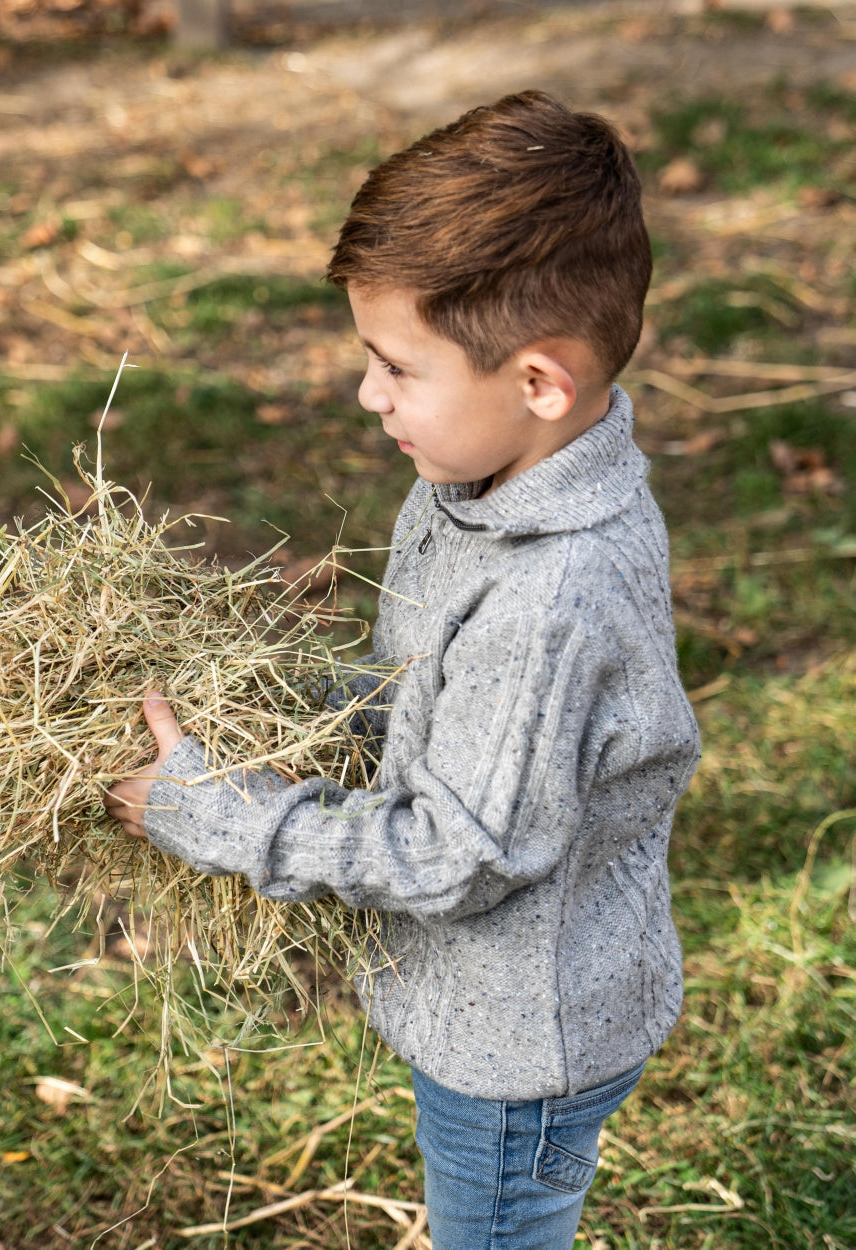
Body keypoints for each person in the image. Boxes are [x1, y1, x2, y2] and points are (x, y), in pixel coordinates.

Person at [105, 90, 701, 1249]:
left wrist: (220, 813)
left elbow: (456, 850)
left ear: (538, 383)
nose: (367, 394)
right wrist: (277, 709)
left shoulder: (548, 598)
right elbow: (421, 692)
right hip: (488, 996)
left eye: (395, 366)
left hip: (522, 1041)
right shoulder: (472, 483)